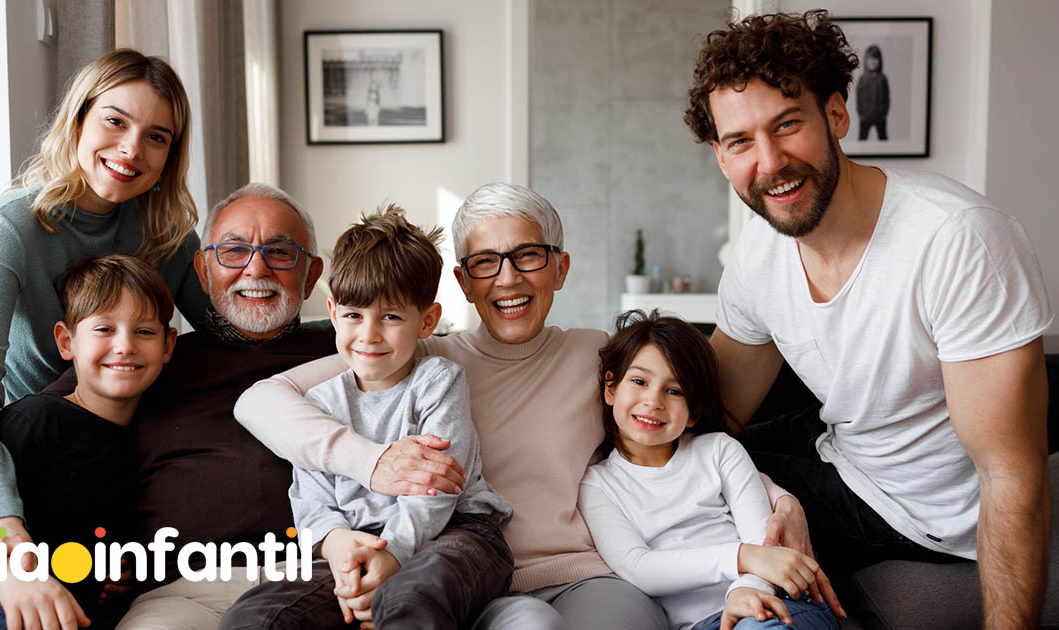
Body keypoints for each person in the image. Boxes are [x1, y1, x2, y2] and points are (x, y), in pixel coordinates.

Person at [234, 182, 826, 629]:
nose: (508, 279)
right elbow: (262, 401)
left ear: (560, 268)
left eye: (529, 256)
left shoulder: (598, 355)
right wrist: (372, 462)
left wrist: (777, 495)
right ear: (463, 284)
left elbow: (678, 426)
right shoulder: (414, 353)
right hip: (462, 574)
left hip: (581, 572)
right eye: (486, 263)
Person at [683, 10, 1052, 629]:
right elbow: (711, 412)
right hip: (846, 448)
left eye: (788, 125)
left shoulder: (956, 240)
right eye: (741, 142)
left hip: (922, 508)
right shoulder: (760, 248)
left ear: (835, 116)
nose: (769, 162)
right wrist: (774, 494)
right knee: (666, 468)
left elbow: (1008, 475)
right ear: (722, 158)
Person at [0, 184, 346, 630]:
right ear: (203, 270)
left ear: (312, 276)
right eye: (235, 250)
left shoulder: (352, 353)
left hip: (309, 572)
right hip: (174, 592)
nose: (256, 270)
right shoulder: (149, 363)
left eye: (281, 252)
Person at [0, 47, 209, 593]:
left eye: (157, 136)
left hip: (112, 465)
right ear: (78, 119)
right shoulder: (9, 228)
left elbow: (234, 338)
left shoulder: (168, 235)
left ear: (169, 157)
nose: (132, 148)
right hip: (28, 456)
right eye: (115, 121)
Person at [222, 206, 513, 629]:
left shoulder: (438, 381)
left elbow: (436, 488)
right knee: (255, 615)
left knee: (411, 595)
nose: (369, 334)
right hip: (354, 542)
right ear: (334, 311)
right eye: (354, 315)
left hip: (456, 534)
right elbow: (311, 499)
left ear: (427, 321)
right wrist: (339, 547)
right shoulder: (318, 402)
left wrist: (392, 554)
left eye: (391, 317)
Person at [0, 254, 178, 629]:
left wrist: (103, 572)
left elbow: (66, 538)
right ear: (67, 342)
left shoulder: (146, 439)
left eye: (145, 332)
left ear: (168, 346)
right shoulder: (37, 419)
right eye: (104, 329)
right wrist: (12, 571)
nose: (125, 346)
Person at [579, 311, 836, 630]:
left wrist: (747, 589)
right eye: (639, 381)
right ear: (611, 388)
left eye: (675, 391)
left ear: (693, 411)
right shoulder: (597, 484)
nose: (653, 401)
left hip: (769, 601)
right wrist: (740, 557)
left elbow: (762, 539)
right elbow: (639, 567)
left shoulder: (719, 450)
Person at [855, 44, 889, 141]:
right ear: (866, 60)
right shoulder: (863, 79)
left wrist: (884, 113)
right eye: (870, 59)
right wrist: (861, 114)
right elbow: (859, 98)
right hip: (866, 117)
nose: (873, 62)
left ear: (880, 61)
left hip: (880, 116)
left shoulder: (882, 79)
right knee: (862, 139)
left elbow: (886, 98)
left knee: (883, 138)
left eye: (875, 58)